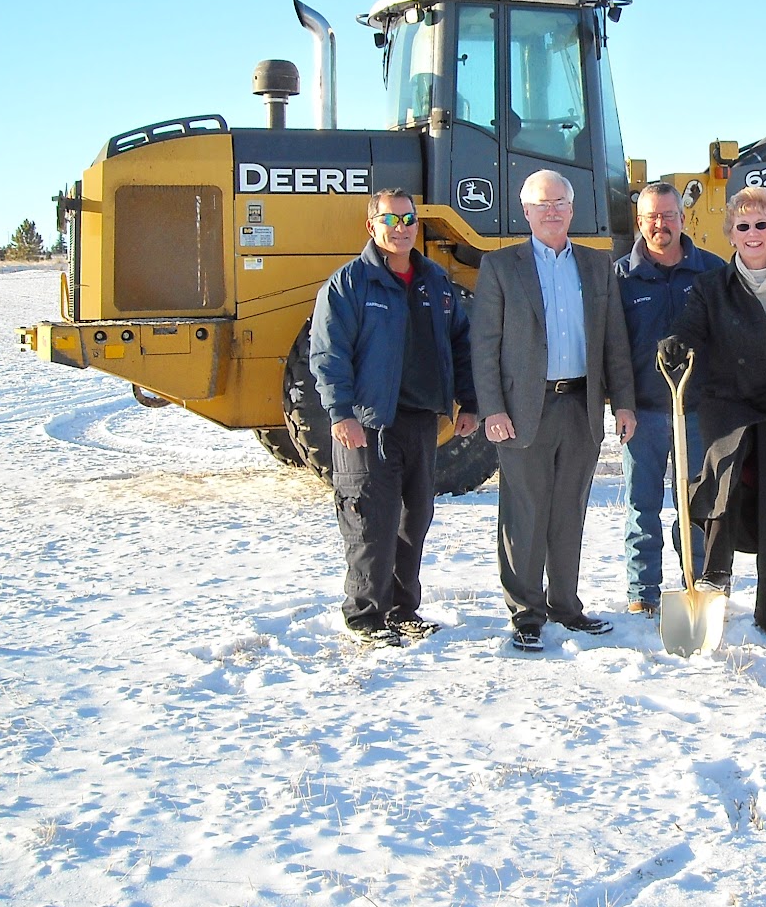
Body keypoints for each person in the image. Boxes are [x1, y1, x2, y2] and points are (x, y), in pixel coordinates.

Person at [471, 169, 638, 653]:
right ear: (525, 211)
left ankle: (566, 605)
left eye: (559, 202)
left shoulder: (596, 265)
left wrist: (622, 402)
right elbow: (484, 346)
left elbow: (615, 342)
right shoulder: (502, 267)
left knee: (569, 512)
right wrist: (492, 410)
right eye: (541, 204)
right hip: (524, 410)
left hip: (580, 406)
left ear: (572, 208)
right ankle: (526, 612)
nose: (551, 211)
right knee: (525, 512)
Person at [309, 188, 480, 648]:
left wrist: (470, 402)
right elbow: (328, 353)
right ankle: (365, 616)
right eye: (391, 220)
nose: (402, 227)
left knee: (413, 519)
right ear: (372, 226)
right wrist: (340, 413)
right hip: (368, 426)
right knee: (370, 522)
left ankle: (404, 610)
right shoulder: (349, 285)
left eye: (409, 219)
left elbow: (462, 345)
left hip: (422, 422)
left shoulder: (435, 283)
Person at [659, 186, 766, 637]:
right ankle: (711, 589)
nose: (752, 234)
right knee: (719, 495)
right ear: (730, 234)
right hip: (729, 409)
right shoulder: (711, 286)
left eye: (761, 225)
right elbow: (690, 328)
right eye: (743, 226)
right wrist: (676, 344)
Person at [614, 182, 726, 615]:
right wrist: (621, 403)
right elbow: (614, 349)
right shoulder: (621, 278)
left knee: (695, 504)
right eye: (651, 217)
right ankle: (642, 592)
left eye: (668, 215)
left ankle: (695, 581)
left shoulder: (711, 271)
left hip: (697, 412)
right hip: (643, 412)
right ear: (640, 222)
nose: (661, 224)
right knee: (642, 505)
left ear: (683, 218)